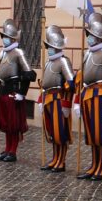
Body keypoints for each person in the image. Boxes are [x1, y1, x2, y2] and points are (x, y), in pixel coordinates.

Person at [76, 14, 102, 181]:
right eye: (88, 35)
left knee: (100, 134)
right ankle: (94, 165)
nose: (89, 38)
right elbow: (82, 76)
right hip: (87, 95)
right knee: (91, 134)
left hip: (99, 96)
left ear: (99, 36)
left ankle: (101, 167)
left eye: (92, 35)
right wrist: (77, 100)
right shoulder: (87, 54)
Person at [0, 20, 33, 163]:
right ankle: (7, 149)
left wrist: (22, 93)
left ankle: (13, 151)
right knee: (5, 123)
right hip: (3, 90)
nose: (3, 38)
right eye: (2, 35)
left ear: (12, 38)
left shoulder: (18, 52)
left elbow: (29, 74)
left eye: (5, 36)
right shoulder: (3, 53)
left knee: (13, 124)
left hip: (14, 92)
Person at [40, 26, 75, 172]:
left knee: (60, 132)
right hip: (48, 99)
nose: (49, 49)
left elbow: (71, 82)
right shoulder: (48, 62)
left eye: (51, 47)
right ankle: (55, 158)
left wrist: (66, 102)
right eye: (48, 46)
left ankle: (61, 160)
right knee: (52, 132)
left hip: (58, 100)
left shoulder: (63, 61)